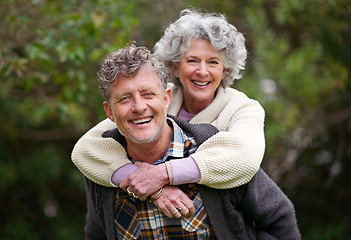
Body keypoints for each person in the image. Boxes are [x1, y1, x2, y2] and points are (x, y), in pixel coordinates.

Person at [84, 43, 300, 239]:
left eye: (148, 94)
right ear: (109, 112)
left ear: (166, 98)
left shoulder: (218, 152)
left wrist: (160, 176)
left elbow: (279, 219)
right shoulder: (102, 168)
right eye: (125, 98)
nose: (139, 107)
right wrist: (152, 188)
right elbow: (96, 233)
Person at [72, 9, 265, 212]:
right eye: (192, 60)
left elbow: (245, 158)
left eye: (213, 62)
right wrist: (145, 184)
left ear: (224, 70)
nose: (202, 71)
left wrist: (162, 174)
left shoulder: (243, 108)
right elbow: (85, 149)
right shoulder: (153, 99)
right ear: (175, 67)